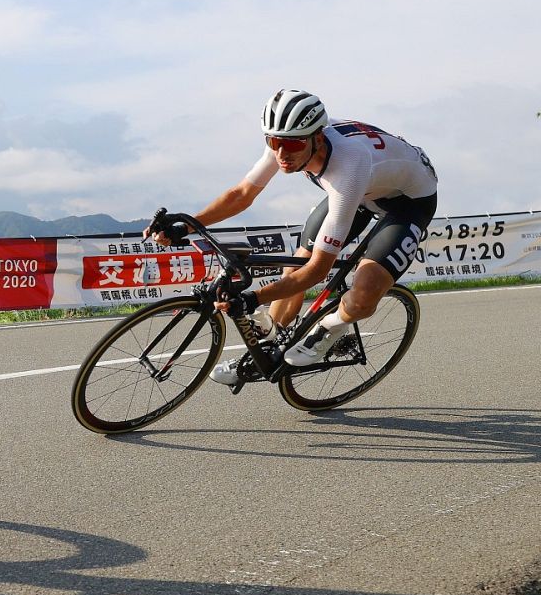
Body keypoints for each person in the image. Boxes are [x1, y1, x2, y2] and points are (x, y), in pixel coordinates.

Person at [146, 89, 438, 385]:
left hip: (408, 201)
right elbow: (242, 194)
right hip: (365, 192)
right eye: (273, 143)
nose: (282, 154)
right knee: (296, 264)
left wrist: (253, 298)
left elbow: (318, 270)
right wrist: (185, 226)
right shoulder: (288, 140)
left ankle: (330, 328)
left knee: (365, 292)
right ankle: (266, 350)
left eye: (293, 144)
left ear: (318, 138)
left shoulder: (349, 164)